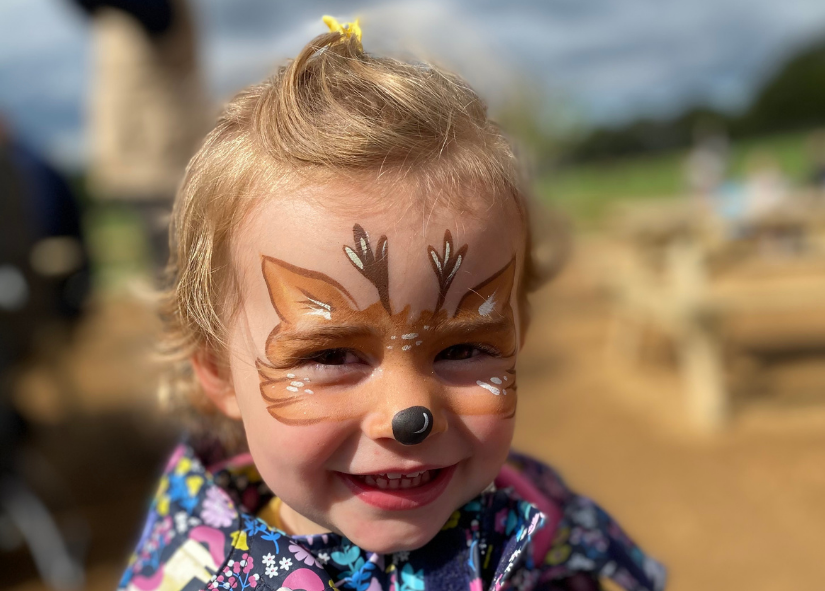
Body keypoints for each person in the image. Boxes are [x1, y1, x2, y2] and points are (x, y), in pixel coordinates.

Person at [119, 18, 666, 591]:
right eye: (330, 354)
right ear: (217, 369)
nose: (411, 416)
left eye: (465, 347)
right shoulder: (192, 577)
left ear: (517, 335)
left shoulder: (540, 517)